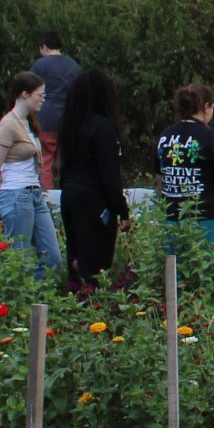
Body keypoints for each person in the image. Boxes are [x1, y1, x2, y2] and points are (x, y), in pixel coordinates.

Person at [56, 67, 130, 287]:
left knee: (76, 252)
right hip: (94, 200)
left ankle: (75, 293)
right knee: (96, 259)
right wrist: (121, 209)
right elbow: (109, 175)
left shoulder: (69, 126)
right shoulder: (103, 128)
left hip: (69, 194)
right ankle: (93, 302)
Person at [0, 72, 61, 281]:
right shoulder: (8, 125)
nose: (43, 100)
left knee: (53, 258)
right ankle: (22, 305)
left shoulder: (29, 123)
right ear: (24, 95)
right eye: (40, 95)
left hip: (35, 195)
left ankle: (36, 301)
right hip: (16, 195)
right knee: (20, 260)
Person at [154, 84, 214, 252]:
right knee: (208, 269)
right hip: (206, 219)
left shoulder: (166, 135)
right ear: (206, 107)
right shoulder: (211, 137)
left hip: (172, 217)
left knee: (175, 272)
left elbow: (160, 178)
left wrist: (163, 209)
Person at [29, 31, 81, 190]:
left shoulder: (39, 65)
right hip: (69, 120)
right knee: (67, 162)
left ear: (44, 47)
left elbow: (29, 91)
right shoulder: (75, 66)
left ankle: (48, 200)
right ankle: (68, 196)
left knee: (45, 162)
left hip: (45, 119)